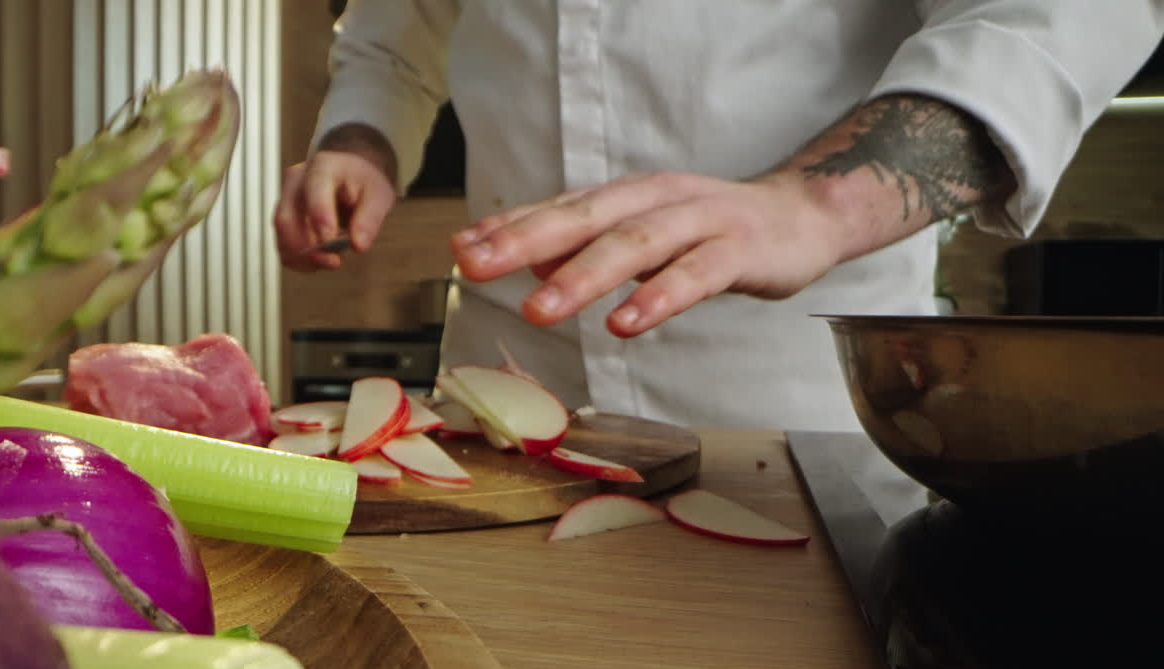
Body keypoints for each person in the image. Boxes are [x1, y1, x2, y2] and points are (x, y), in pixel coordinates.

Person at [275, 1, 1163, 435]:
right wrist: (363, 141)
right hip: (498, 393)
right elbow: (394, 34)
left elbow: (1059, 13)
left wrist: (817, 202)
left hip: (803, 414)